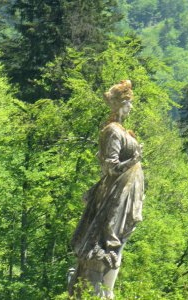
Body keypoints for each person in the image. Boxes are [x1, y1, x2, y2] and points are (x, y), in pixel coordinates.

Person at [69, 80, 144, 299]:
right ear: (120, 104)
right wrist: (134, 160)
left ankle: (106, 291)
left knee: (117, 242)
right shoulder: (112, 131)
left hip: (124, 193)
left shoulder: (122, 129)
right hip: (115, 195)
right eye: (129, 103)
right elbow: (111, 167)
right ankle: (101, 292)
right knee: (109, 243)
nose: (131, 107)